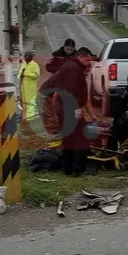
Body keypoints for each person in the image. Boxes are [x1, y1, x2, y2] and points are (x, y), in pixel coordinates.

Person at [42, 47, 97, 176]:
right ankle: (78, 169)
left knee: (69, 139)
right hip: (69, 109)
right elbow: (67, 91)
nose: (89, 64)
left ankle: (68, 169)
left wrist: (90, 114)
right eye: (88, 60)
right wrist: (75, 108)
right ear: (81, 57)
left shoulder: (71, 66)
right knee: (82, 138)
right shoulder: (74, 69)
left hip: (65, 108)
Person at [17, 50, 40, 123]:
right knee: (24, 103)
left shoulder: (35, 65)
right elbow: (19, 74)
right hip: (23, 88)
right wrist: (20, 75)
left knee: (30, 103)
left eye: (28, 56)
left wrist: (26, 74)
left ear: (31, 57)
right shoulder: (23, 65)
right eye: (25, 56)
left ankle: (30, 119)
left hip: (31, 88)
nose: (27, 57)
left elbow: (36, 75)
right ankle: (25, 118)